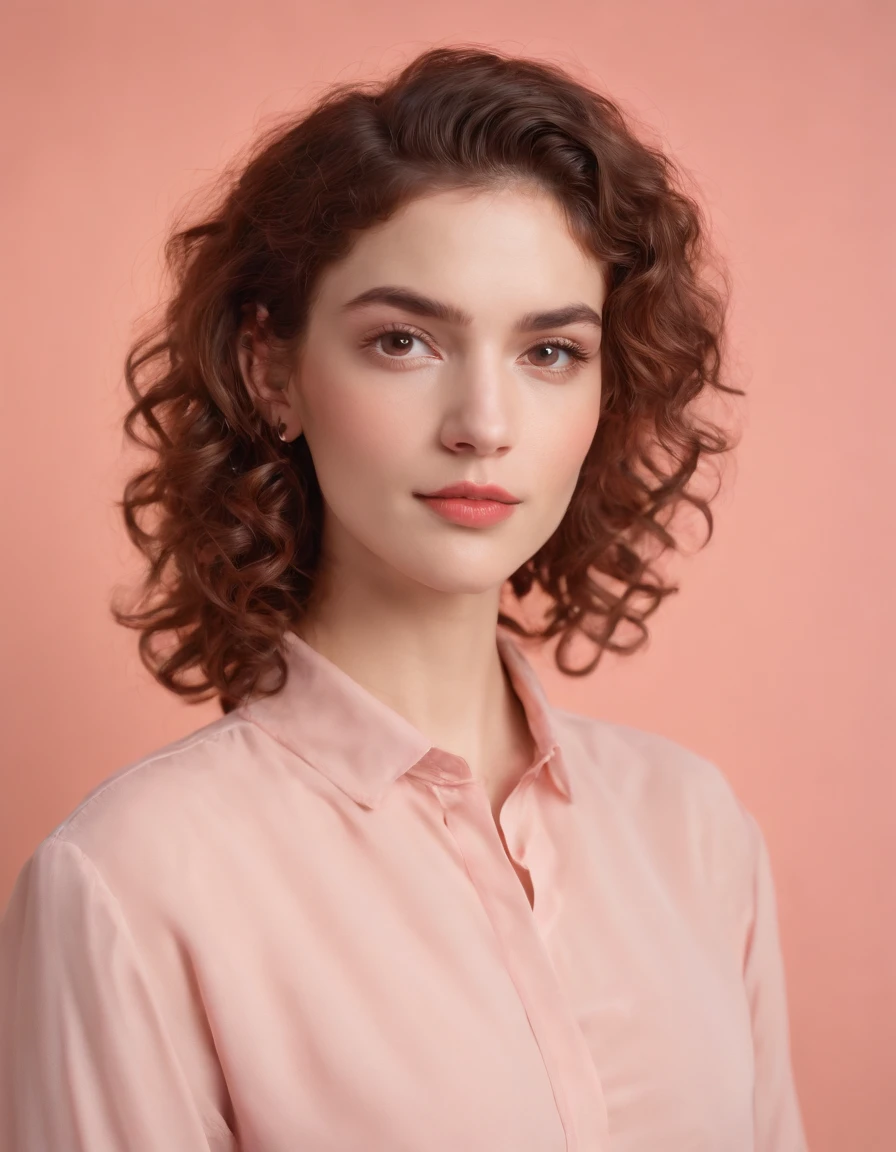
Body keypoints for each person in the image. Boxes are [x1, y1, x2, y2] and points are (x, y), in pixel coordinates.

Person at [0, 45, 808, 1152]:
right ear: (269, 370)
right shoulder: (129, 884)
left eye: (550, 350)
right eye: (403, 340)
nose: (482, 420)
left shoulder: (694, 830)